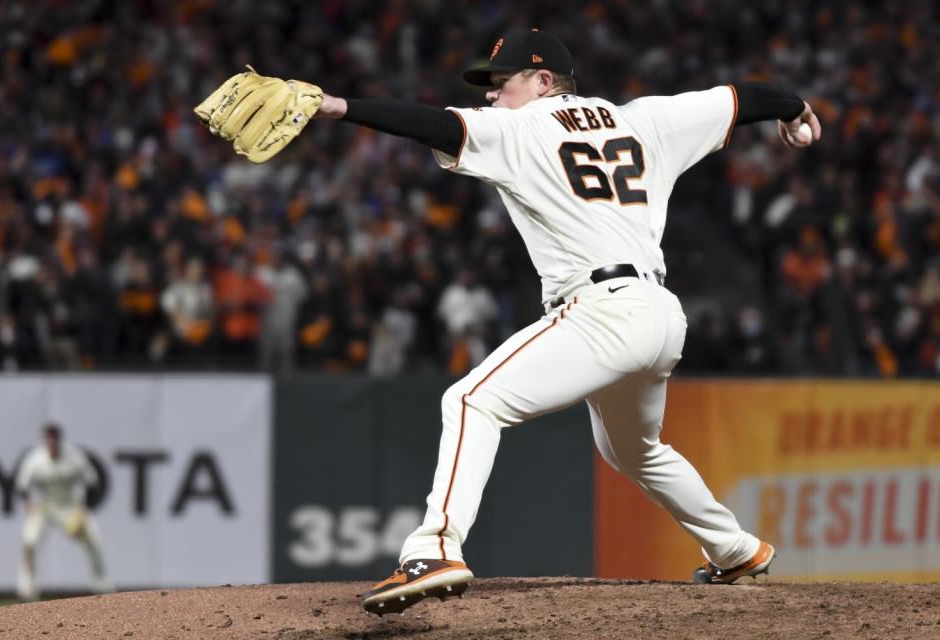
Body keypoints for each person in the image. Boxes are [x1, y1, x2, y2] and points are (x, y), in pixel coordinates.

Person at [210, 27, 821, 615]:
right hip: (662, 313)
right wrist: (795, 109)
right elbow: (745, 98)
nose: (492, 95)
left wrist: (337, 106)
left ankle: (434, 549)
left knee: (471, 400)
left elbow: (432, 122)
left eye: (503, 82)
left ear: (545, 80)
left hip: (602, 311)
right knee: (636, 450)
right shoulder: (646, 118)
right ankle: (734, 549)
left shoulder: (521, 127)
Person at [15, 423, 113, 600]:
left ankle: (101, 584)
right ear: (45, 442)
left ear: (59, 441)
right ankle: (27, 586)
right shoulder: (36, 459)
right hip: (44, 508)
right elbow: (22, 486)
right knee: (30, 541)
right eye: (49, 440)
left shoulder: (74, 457)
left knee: (94, 539)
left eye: (54, 440)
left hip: (71, 507)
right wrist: (29, 505)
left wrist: (84, 508)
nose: (52, 444)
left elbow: (92, 482)